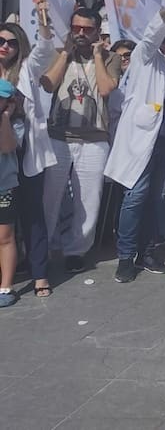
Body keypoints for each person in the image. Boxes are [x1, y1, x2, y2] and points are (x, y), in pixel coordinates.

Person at [107, 9, 165, 283]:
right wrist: (163, 15)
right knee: (135, 197)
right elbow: (148, 39)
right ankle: (125, 258)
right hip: (142, 143)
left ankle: (148, 252)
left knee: (160, 200)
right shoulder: (146, 59)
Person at [40, 7, 121, 274]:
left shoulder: (110, 58)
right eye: (76, 29)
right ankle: (43, 247)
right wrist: (65, 52)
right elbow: (48, 84)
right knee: (50, 196)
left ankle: (76, 250)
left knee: (88, 199)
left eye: (87, 29)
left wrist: (98, 55)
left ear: (98, 31)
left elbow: (107, 88)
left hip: (94, 138)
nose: (81, 34)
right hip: (58, 136)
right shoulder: (60, 53)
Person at [1, 20, 54, 298]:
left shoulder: (26, 70)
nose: (5, 46)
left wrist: (44, 23)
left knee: (32, 213)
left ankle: (39, 274)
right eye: (1, 41)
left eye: (11, 42)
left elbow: (45, 50)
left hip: (25, 153)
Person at [0, 80, 25, 306]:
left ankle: (6, 287)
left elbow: (7, 147)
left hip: (3, 186)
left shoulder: (14, 123)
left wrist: (6, 117)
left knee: (5, 237)